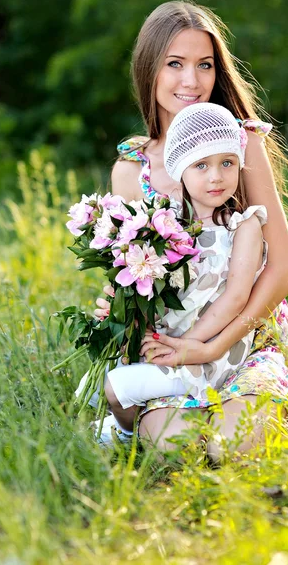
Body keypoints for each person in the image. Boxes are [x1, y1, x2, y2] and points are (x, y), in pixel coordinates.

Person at [94, 0, 288, 461]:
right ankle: (127, 424)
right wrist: (119, 308)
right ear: (148, 70)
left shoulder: (240, 142)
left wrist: (210, 347)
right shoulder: (133, 170)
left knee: (233, 447)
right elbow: (141, 276)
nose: (192, 81)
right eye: (175, 64)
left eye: (205, 65)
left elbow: (285, 271)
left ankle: (260, 397)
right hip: (175, 343)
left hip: (248, 335)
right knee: (177, 448)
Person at [101, 102, 268, 419]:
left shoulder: (244, 226)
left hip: (209, 356)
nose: (217, 176)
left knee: (115, 387)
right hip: (172, 343)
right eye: (201, 166)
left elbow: (235, 298)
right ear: (180, 171)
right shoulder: (168, 223)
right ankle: (127, 430)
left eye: (227, 163)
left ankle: (123, 436)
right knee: (103, 382)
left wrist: (187, 346)